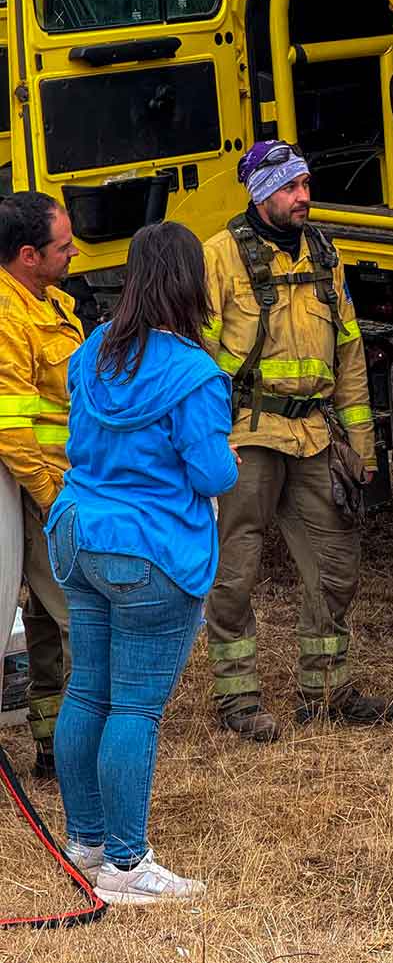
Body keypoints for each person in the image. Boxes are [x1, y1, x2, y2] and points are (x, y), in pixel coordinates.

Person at [46, 222, 238, 904]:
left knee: (87, 690)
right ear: (192, 282)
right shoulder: (195, 374)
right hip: (147, 551)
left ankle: (85, 844)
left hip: (76, 533)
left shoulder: (94, 347)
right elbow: (213, 475)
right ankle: (126, 868)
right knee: (134, 708)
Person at [202, 139, 393, 740]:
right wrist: (206, 441)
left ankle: (327, 689)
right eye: (290, 188)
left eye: (306, 184)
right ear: (261, 194)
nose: (303, 197)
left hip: (315, 434)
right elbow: (197, 359)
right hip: (247, 434)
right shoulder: (219, 256)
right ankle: (237, 699)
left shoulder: (323, 252)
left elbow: (349, 350)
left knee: (336, 563)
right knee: (235, 568)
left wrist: (361, 444)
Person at [0, 192, 81, 778]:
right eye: (63, 245)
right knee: (82, 616)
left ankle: (53, 744)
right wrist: (52, 497)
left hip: (61, 482)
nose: (75, 250)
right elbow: (11, 424)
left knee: (50, 623)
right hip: (35, 491)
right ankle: (86, 742)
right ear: (28, 255)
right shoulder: (6, 317)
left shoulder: (51, 302)